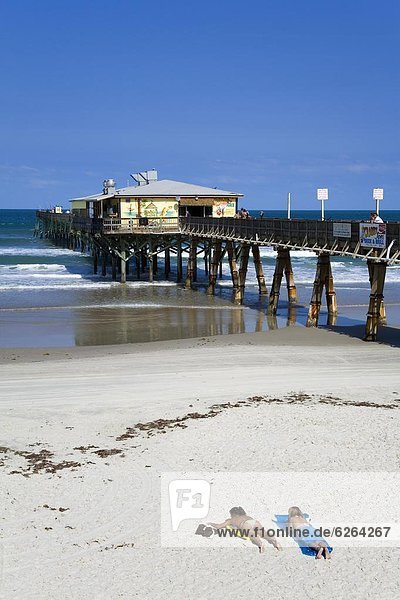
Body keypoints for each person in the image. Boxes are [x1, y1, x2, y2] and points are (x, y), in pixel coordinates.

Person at [208, 506, 281, 553]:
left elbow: (218, 526)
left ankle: (260, 544)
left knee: (253, 535)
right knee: (263, 533)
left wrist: (211, 524)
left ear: (233, 514)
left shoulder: (231, 520)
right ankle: (275, 541)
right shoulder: (246, 516)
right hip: (254, 522)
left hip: (245, 524)